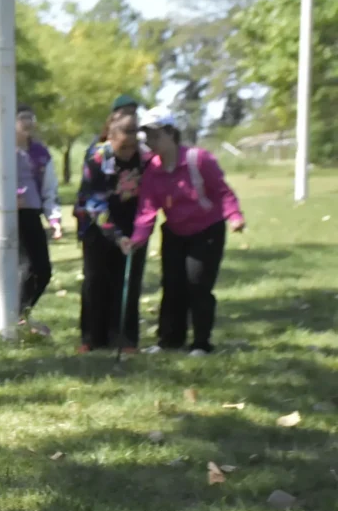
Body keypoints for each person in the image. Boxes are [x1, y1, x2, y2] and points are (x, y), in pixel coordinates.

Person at [121, 107, 246, 356]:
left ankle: (201, 343)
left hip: (206, 230)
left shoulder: (198, 159)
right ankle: (169, 340)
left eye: (155, 135)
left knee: (197, 285)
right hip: (174, 232)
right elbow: (147, 208)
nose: (150, 141)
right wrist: (138, 238)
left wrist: (234, 216)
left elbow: (223, 192)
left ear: (171, 133)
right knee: (172, 285)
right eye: (147, 136)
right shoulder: (152, 169)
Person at [73, 108, 153, 354]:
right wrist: (117, 236)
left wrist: (137, 233)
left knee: (128, 279)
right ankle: (91, 338)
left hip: (133, 222)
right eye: (123, 146)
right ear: (111, 136)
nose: (128, 151)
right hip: (96, 223)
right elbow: (94, 203)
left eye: (132, 145)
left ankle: (125, 339)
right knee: (96, 279)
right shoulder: (97, 157)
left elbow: (151, 195)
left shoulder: (145, 158)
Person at [14, 105, 61, 335]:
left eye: (31, 118)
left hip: (31, 214)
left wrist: (54, 219)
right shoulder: (2, 150)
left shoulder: (40, 153)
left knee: (42, 270)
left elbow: (49, 188)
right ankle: (16, 317)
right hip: (9, 217)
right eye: (22, 118)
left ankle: (20, 314)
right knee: (24, 267)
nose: (28, 122)